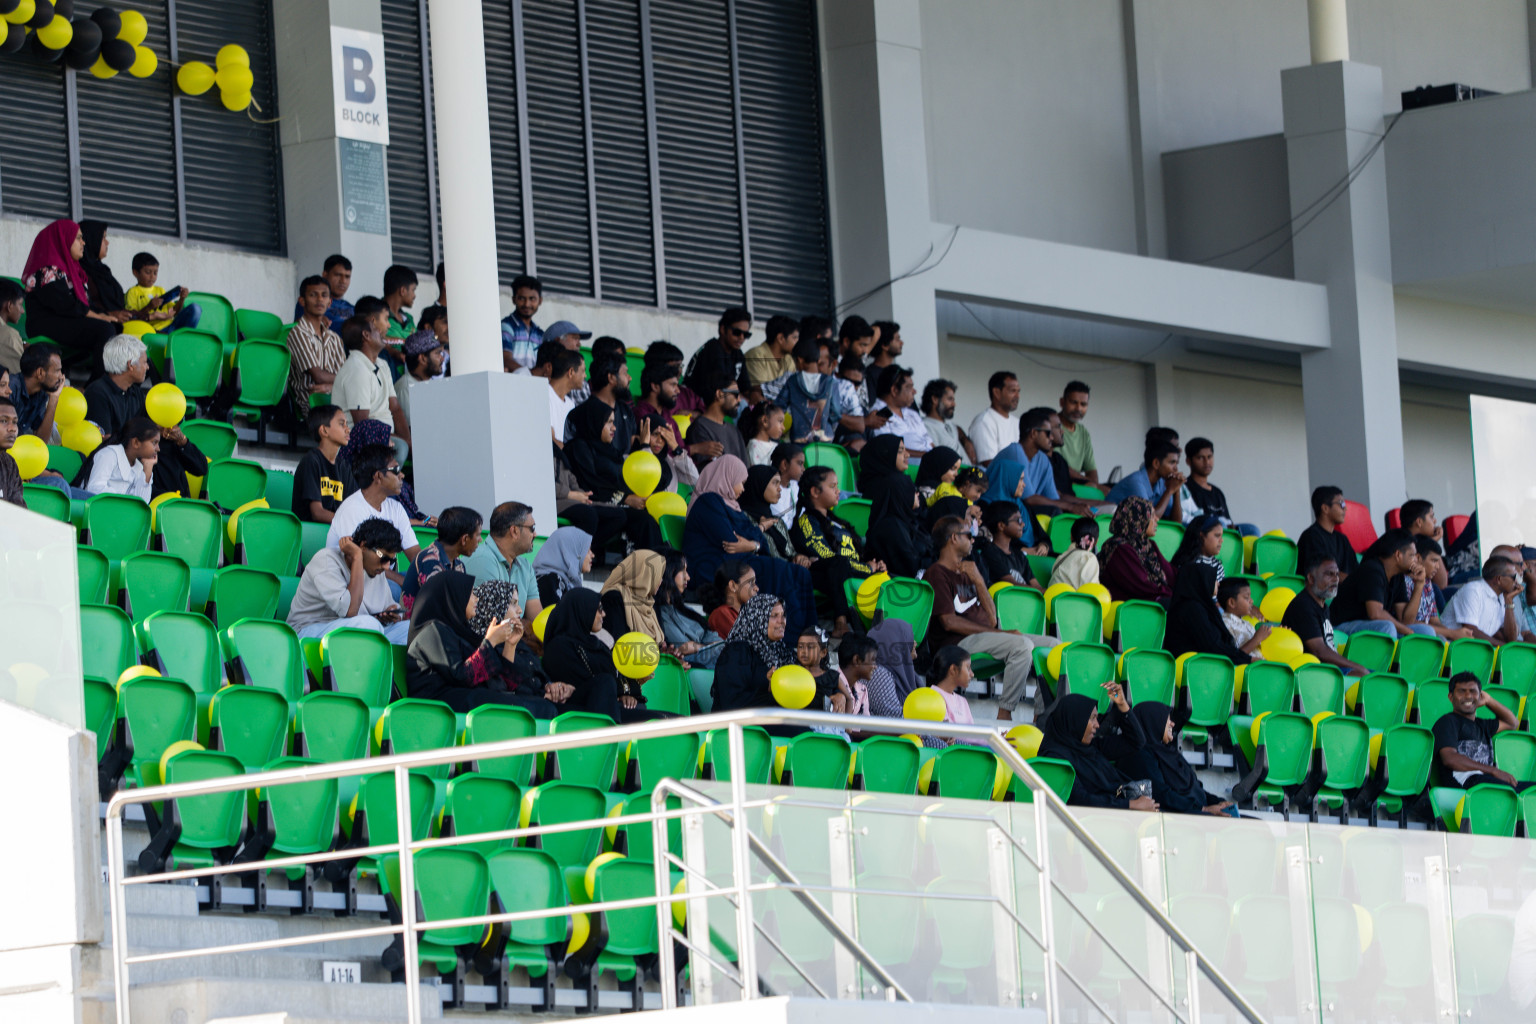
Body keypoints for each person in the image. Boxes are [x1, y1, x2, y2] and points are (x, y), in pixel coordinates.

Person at [926, 515, 1059, 722]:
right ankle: (1004, 714)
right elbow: (949, 622)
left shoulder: (970, 571)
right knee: (1021, 645)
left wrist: (979, 580)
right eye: (968, 536)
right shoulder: (936, 573)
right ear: (953, 538)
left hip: (984, 637)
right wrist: (1002, 634)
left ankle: (1040, 717)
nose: (973, 540)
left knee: (1054, 647)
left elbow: (991, 621)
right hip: (957, 644)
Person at [683, 454, 814, 635]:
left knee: (801, 573)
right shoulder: (708, 501)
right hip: (712, 566)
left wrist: (752, 545)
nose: (743, 489)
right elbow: (730, 542)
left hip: (738, 561)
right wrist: (753, 541)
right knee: (776, 569)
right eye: (741, 482)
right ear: (727, 477)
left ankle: (809, 633)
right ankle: (788, 635)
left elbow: (757, 540)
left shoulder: (734, 506)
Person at [406, 575, 561, 717]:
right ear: (455, 596)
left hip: (462, 700)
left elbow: (503, 685)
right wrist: (490, 641)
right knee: (531, 710)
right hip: (436, 709)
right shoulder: (431, 632)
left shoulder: (458, 632)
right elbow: (463, 677)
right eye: (471, 594)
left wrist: (510, 646)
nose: (476, 599)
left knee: (542, 707)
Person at [540, 588, 659, 722]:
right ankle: (610, 740)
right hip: (581, 713)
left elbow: (613, 679)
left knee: (671, 722)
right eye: (599, 609)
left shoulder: (596, 644)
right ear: (582, 610)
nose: (604, 614)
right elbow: (587, 685)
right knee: (605, 682)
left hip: (610, 708)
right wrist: (612, 692)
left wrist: (623, 694)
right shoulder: (559, 647)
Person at [563, 399, 664, 550]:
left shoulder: (609, 450)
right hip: (596, 504)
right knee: (644, 522)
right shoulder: (579, 448)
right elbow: (590, 485)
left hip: (618, 505)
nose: (614, 428)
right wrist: (626, 499)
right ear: (594, 422)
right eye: (609, 422)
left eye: (614, 422)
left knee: (652, 520)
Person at [287, 518, 409, 643]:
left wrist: (393, 614)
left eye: (391, 561)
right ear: (363, 546)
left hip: (354, 631)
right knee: (368, 625)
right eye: (383, 558)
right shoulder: (326, 560)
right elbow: (350, 611)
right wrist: (357, 557)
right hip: (307, 633)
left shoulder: (376, 570)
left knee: (409, 629)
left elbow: (389, 606)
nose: (386, 566)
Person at [1037, 690, 1158, 811]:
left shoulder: (1091, 747)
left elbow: (1136, 741)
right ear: (1075, 720)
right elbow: (1079, 800)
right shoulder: (1055, 758)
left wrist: (1122, 705)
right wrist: (1131, 805)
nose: (1097, 725)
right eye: (1092, 718)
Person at [21, 219, 116, 370]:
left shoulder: (74, 271)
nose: (83, 243)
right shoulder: (47, 270)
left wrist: (106, 315)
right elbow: (64, 305)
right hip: (47, 323)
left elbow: (84, 304)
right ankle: (97, 384)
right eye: (78, 238)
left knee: (114, 327)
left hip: (67, 320)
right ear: (62, 239)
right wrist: (97, 316)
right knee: (104, 330)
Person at [794, 465, 878, 633]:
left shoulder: (837, 522)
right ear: (815, 492)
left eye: (837, 486)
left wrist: (874, 565)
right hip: (825, 573)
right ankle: (841, 622)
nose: (838, 491)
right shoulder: (807, 521)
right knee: (838, 563)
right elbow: (826, 556)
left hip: (852, 569)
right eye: (832, 487)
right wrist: (867, 568)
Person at [1116, 702, 1237, 815]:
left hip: (1193, 815)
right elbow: (1160, 795)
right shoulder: (1138, 755)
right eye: (1166, 719)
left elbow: (1196, 788)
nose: (1172, 724)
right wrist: (1203, 809)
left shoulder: (1170, 753)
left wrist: (1219, 803)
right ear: (1152, 721)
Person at [711, 593, 803, 733]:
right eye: (774, 616)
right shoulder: (737, 652)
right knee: (803, 733)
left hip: (772, 720)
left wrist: (837, 694)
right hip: (739, 730)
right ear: (756, 618)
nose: (782, 621)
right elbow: (732, 704)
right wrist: (767, 687)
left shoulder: (784, 653)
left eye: (783, 615)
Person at [325, 445, 420, 578]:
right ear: (378, 476)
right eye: (396, 470)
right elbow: (366, 564)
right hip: (354, 579)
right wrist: (404, 585)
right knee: (400, 590)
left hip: (383, 576)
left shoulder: (396, 508)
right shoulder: (351, 509)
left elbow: (415, 554)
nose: (402, 475)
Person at [992, 406, 1099, 518]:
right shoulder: (1015, 451)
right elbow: (1029, 499)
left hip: (1018, 511)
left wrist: (1077, 507)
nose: (1052, 437)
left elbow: (1053, 498)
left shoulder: (1043, 459)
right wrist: (1070, 507)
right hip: (996, 512)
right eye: (1048, 433)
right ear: (1033, 433)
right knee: (1055, 511)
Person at [1328, 530, 1436, 640]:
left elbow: (1406, 620)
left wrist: (1419, 584)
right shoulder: (1372, 570)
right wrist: (1405, 630)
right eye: (1412, 555)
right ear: (1398, 555)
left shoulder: (1397, 576)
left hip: (1369, 627)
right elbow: (1375, 614)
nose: (1415, 561)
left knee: (1426, 631)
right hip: (1340, 627)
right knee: (1387, 627)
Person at [330, 316, 409, 465]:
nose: (380, 331)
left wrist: (409, 440)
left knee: (411, 445)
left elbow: (396, 408)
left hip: (382, 436)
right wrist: (394, 439)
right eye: (374, 329)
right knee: (400, 447)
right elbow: (363, 425)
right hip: (357, 442)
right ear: (366, 336)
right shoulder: (356, 368)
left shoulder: (382, 364)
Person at [1433, 672, 1531, 791]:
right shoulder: (1447, 722)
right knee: (1506, 791)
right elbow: (1450, 759)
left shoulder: (1483, 725)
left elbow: (1512, 723)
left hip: (1486, 780)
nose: (1468, 696)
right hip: (1465, 782)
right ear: (1451, 697)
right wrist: (1493, 771)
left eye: (1473, 691)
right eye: (1462, 691)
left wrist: (1489, 701)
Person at [1281, 556, 1370, 676]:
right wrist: (1358, 667)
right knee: (1369, 678)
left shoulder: (1323, 607)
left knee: (1380, 678)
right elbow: (1319, 651)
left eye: (1337, 574)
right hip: (1314, 673)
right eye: (1329, 574)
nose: (1335, 579)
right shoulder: (1303, 606)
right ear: (1311, 578)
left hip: (1330, 669)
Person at [858, 436, 928, 578]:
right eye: (901, 451)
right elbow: (911, 567)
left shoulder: (902, 515)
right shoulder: (892, 525)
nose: (907, 455)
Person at [463, 500, 543, 623]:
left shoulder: (525, 566)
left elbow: (537, 621)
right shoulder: (482, 560)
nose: (535, 534)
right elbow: (495, 620)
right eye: (532, 528)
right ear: (514, 531)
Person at [1164, 561, 1252, 664]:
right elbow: (1212, 645)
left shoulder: (1199, 606)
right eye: (1213, 579)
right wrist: (1248, 659)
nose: (1218, 583)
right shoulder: (1191, 608)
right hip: (1193, 668)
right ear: (1202, 580)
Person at [1098, 497, 1174, 604]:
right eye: (1151, 515)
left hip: (1155, 597)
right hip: (1134, 606)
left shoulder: (1148, 545)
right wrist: (1173, 595)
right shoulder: (1119, 548)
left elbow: (1171, 575)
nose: (1157, 519)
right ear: (1137, 519)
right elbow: (1142, 586)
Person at [287, 275, 346, 412]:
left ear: (330, 302)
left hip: (336, 401)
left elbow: (345, 378)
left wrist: (331, 387)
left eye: (324, 295)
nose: (320, 300)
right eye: (313, 295)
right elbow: (318, 376)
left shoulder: (335, 338)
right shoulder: (298, 332)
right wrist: (340, 382)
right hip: (312, 404)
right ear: (302, 301)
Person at [598, 551, 670, 657]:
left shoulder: (649, 602)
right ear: (643, 573)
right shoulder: (614, 598)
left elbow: (659, 645)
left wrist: (668, 653)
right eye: (657, 574)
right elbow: (616, 645)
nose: (660, 581)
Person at [292, 406, 356, 523]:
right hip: (312, 533)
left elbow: (352, 509)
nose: (348, 429)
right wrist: (348, 522)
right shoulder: (311, 461)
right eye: (342, 424)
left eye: (347, 424)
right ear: (324, 430)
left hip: (336, 532)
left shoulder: (344, 467)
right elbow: (317, 513)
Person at [404, 505, 481, 601]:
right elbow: (439, 604)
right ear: (464, 539)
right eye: (478, 535)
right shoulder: (429, 560)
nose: (480, 540)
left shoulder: (458, 564)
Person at [82, 334, 148, 445]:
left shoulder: (136, 392)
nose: (147, 367)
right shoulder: (97, 393)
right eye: (145, 362)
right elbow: (105, 441)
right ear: (130, 365)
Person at [772, 337, 839, 445]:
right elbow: (836, 412)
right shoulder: (831, 382)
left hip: (800, 440)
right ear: (817, 359)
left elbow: (779, 407)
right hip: (825, 440)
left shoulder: (793, 381)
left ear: (800, 360)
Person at [1443, 556, 1523, 644]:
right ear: (1499, 579)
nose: (1517, 582)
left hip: (1474, 649)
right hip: (1451, 646)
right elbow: (1470, 631)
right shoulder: (1473, 590)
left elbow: (1511, 639)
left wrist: (1509, 602)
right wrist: (1503, 647)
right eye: (1514, 577)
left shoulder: (1502, 597)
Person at [978, 458, 1050, 555]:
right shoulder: (985, 506)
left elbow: (1041, 534)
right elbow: (991, 539)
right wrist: (1023, 551)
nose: (1024, 485)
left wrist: (1043, 545)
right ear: (1006, 478)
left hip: (1034, 555)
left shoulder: (1023, 506)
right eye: (1020, 480)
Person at [75, 221, 136, 328]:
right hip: (102, 326)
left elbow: (121, 311)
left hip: (121, 323)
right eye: (103, 238)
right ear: (91, 240)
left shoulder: (103, 271)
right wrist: (108, 314)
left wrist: (148, 314)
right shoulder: (80, 273)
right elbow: (86, 306)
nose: (107, 243)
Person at [1105, 439, 1184, 522]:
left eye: (1176, 463)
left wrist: (1176, 491)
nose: (1176, 468)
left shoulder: (1163, 482)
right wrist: (1169, 491)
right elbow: (1149, 520)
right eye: (1172, 463)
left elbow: (1177, 522)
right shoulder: (1136, 482)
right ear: (1156, 463)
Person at [123, 250, 198, 333]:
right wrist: (149, 307)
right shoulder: (133, 292)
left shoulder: (160, 290)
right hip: (154, 330)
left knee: (195, 309)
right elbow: (131, 318)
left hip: (172, 325)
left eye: (155, 273)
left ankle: (184, 337)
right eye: (148, 272)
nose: (152, 276)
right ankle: (180, 338)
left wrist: (182, 299)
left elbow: (174, 312)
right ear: (136, 273)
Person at [84, 416, 158, 499]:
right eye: (154, 443)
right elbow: (95, 488)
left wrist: (148, 469)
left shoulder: (139, 467)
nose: (158, 449)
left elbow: (142, 502)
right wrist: (124, 502)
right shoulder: (110, 454)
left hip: (116, 509)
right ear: (136, 442)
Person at [740, 463, 800, 563]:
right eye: (775, 483)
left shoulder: (777, 521)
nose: (779, 488)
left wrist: (800, 558)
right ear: (759, 484)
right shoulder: (742, 518)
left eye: (779, 483)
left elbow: (792, 553)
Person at [685, 373, 747, 469]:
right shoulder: (699, 428)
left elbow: (744, 471)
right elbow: (710, 473)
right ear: (719, 394)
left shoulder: (734, 430)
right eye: (736, 395)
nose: (739, 400)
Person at [685, 307, 751, 395]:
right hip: (697, 402)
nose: (742, 338)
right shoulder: (712, 350)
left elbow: (745, 387)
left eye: (746, 334)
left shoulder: (738, 354)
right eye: (737, 332)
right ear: (723, 329)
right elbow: (718, 390)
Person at [1297, 486, 1358, 580]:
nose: (1345, 509)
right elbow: (1324, 574)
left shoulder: (1342, 539)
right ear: (1325, 508)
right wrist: (1354, 581)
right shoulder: (1311, 537)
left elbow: (1356, 570)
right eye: (1341, 503)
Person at [868, 365, 931, 453]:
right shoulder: (877, 414)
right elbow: (890, 450)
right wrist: (927, 457)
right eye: (909, 387)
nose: (914, 391)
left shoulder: (912, 414)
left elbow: (930, 443)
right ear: (894, 390)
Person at [1183, 437, 1242, 529]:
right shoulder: (1185, 488)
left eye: (1209, 457)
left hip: (1223, 534)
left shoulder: (1218, 492)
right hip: (1202, 536)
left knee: (1251, 529)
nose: (1207, 462)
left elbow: (1228, 522)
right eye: (1200, 458)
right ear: (1188, 461)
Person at [978, 501, 1040, 588]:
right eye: (1018, 520)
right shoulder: (990, 552)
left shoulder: (1019, 555)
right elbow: (1011, 585)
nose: (1023, 524)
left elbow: (1036, 585)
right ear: (1001, 526)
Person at [13, 343, 64, 442]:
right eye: (57, 371)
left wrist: (54, 399)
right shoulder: (9, 389)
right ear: (40, 373)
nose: (61, 376)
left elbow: (41, 440)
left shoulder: (41, 393)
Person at [532, 525, 594, 606]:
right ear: (572, 551)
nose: (592, 555)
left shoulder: (568, 581)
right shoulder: (549, 581)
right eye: (587, 549)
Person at [1056, 381, 1102, 491]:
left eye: (1083, 404)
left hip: (1078, 486)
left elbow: (1092, 471)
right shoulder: (1052, 427)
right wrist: (1088, 482)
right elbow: (1057, 466)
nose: (1078, 408)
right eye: (1073, 402)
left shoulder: (1083, 433)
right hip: (1056, 487)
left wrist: (1093, 484)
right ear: (1062, 402)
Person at [968, 371, 1020, 466]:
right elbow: (989, 464)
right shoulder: (984, 422)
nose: (1017, 396)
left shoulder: (1018, 422)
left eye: (1018, 391)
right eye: (1013, 391)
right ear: (996, 392)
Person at [920, 378, 977, 464]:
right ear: (935, 399)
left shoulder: (949, 424)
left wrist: (965, 440)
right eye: (950, 399)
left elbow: (956, 428)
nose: (954, 404)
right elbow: (935, 457)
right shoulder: (925, 426)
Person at [394, 330, 443, 428]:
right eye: (437, 354)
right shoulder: (405, 388)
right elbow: (414, 429)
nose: (442, 358)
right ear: (422, 358)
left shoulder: (431, 383)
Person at [290, 255, 355, 329]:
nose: (343, 281)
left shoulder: (354, 308)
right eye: (338, 275)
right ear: (325, 275)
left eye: (347, 277)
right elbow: (298, 326)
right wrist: (315, 320)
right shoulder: (310, 302)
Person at [926, 644, 976, 732]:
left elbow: (972, 732)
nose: (972, 674)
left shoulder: (962, 701)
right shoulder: (932, 696)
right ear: (953, 669)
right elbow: (949, 734)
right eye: (968, 668)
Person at [743, 314, 798, 393]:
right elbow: (760, 391)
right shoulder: (756, 355)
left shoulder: (788, 359)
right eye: (794, 338)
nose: (797, 342)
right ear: (781, 338)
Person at [501, 273, 544, 373]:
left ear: (540, 301)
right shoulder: (506, 326)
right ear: (513, 299)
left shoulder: (540, 334)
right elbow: (505, 359)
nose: (527, 304)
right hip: (512, 384)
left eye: (532, 299)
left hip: (533, 385)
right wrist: (530, 375)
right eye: (521, 298)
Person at [1217, 578, 1270, 660]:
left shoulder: (1247, 624)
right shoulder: (1224, 625)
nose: (1251, 601)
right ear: (1232, 602)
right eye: (1246, 597)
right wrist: (1256, 639)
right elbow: (1233, 658)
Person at [703, 561, 756, 638]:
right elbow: (745, 642)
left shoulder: (741, 615)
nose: (756, 588)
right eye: (751, 582)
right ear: (733, 585)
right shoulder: (721, 614)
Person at [1169, 513, 1226, 584]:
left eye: (1221, 536)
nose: (1221, 540)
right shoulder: (1187, 566)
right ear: (1201, 537)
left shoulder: (1218, 566)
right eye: (1217, 536)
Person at [546, 348, 586, 444]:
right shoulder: (544, 394)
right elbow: (550, 439)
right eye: (583, 371)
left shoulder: (570, 404)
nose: (585, 376)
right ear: (571, 372)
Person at [1050, 517, 1102, 587]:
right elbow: (1091, 590)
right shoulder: (1089, 558)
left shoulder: (1061, 558)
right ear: (1096, 542)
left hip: (1053, 596)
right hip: (1071, 598)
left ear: (1071, 536)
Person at [382, 264, 418, 346]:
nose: (414, 296)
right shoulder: (375, 313)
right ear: (403, 291)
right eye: (413, 290)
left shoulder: (409, 318)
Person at [769, 443, 803, 527]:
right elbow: (784, 524)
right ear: (784, 464)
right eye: (800, 463)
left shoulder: (793, 485)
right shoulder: (771, 489)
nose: (803, 469)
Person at [0, 398, 25, 507]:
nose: (12, 429)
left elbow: (18, 512)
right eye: (4, 421)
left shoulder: (9, 463)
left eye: (14, 422)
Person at [744, 402, 785, 467]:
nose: (783, 427)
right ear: (765, 421)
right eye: (780, 421)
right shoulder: (754, 447)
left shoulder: (775, 445)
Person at [0, 278, 26, 375]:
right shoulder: (10, 335)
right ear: (9, 305)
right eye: (20, 305)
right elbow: (25, 378)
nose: (22, 311)